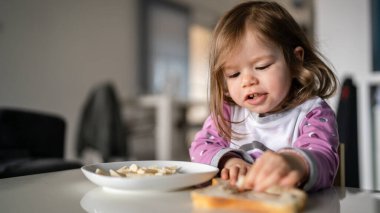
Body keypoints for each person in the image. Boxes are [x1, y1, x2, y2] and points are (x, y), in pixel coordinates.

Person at [189, 1, 339, 192]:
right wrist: (229, 160)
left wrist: (294, 162)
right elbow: (200, 147)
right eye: (234, 75)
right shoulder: (228, 114)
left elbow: (323, 157)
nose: (247, 81)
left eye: (262, 66)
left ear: (295, 61)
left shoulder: (313, 112)